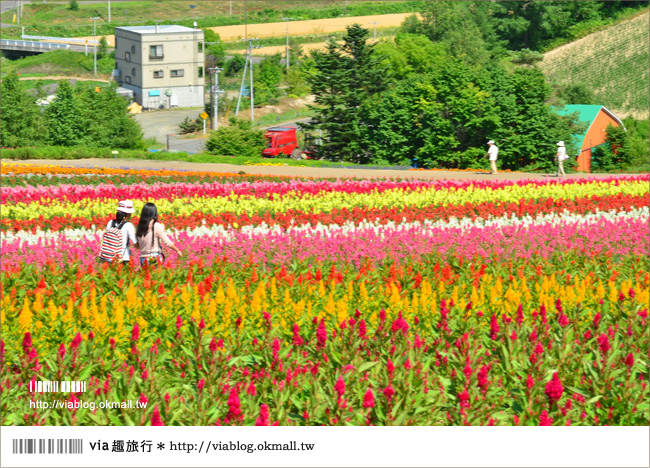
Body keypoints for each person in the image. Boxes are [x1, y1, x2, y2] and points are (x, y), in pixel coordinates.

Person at [99, 200, 138, 264]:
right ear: (128, 214)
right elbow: (135, 242)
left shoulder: (110, 222)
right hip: (123, 258)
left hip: (109, 258)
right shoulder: (128, 225)